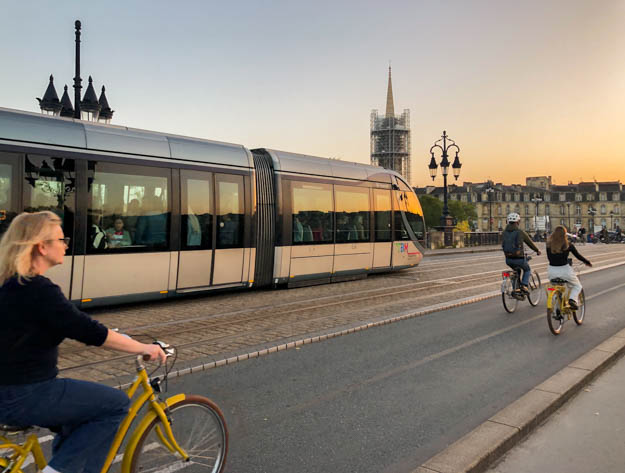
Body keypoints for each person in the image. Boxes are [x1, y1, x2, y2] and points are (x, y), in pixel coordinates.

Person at [0, 211, 166, 473]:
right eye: (60, 239)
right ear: (42, 247)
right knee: (115, 405)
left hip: (7, 391)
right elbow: (92, 333)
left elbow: (72, 323)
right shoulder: (40, 291)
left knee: (78, 417)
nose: (66, 244)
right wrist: (145, 347)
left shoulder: (9, 285)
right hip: (27, 394)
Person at [546, 225, 592, 310]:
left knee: (552, 286)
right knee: (577, 286)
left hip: (551, 271)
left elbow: (550, 258)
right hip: (565, 271)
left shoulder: (548, 245)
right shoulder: (568, 245)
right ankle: (572, 300)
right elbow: (578, 256)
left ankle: (555, 304)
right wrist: (587, 262)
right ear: (564, 234)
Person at [501, 212, 541, 294]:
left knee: (516, 271)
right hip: (519, 258)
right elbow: (530, 243)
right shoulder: (520, 232)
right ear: (518, 222)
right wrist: (537, 250)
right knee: (527, 270)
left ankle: (516, 289)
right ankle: (524, 285)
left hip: (508, 259)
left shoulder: (504, 232)